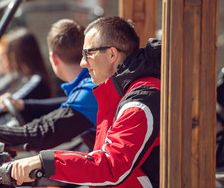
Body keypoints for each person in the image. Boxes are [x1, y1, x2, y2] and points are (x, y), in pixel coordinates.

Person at [10, 16, 161, 188]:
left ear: (112, 54)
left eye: (88, 53)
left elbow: (110, 167)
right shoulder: (119, 94)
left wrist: (44, 162)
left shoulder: (140, 101)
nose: (83, 63)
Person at [0, 19, 99, 166]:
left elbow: (44, 134)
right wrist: (23, 106)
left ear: (53, 58)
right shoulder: (87, 86)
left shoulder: (91, 88)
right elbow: (62, 108)